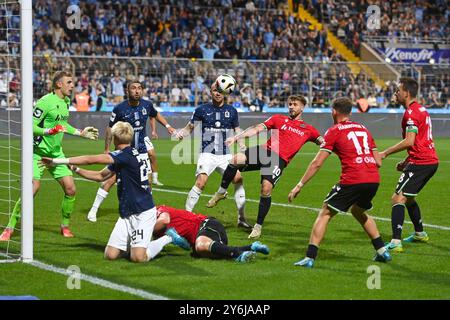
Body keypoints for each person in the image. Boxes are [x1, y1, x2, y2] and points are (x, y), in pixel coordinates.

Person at [41, 122, 190, 262]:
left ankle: (168, 237)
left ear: (115, 138)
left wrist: (57, 161)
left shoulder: (123, 156)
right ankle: (137, 243)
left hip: (142, 211)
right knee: (110, 255)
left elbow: (90, 159)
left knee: (138, 258)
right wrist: (75, 169)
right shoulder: (128, 154)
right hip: (127, 212)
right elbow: (100, 176)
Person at [288, 97, 392, 268]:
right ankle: (382, 251)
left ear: (334, 111)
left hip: (353, 179)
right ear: (350, 112)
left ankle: (309, 258)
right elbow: (378, 161)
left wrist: (299, 185)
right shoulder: (363, 129)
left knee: (325, 212)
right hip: (373, 179)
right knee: (359, 211)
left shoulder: (334, 131)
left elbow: (317, 163)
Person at [0, 71, 99, 241]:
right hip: (37, 153)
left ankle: (65, 226)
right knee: (32, 188)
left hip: (55, 153)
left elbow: (62, 124)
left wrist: (80, 133)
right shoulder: (45, 102)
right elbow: (30, 125)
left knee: (71, 188)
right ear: (58, 84)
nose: (72, 85)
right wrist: (48, 131)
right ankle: (9, 228)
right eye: (69, 82)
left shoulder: (66, 101)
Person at [208, 95, 323, 239]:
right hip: (264, 151)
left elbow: (323, 142)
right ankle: (221, 192)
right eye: (290, 104)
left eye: (295, 104)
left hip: (278, 159)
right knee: (235, 159)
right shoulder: (278, 118)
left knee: (266, 188)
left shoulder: (309, 129)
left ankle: (258, 226)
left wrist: (331, 144)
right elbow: (257, 129)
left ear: (302, 107)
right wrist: (238, 137)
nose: (291, 107)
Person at [87, 80, 176, 222]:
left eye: (139, 88)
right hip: (123, 152)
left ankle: (149, 211)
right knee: (110, 179)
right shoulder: (119, 109)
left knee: (147, 181)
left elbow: (155, 114)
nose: (137, 91)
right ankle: (93, 210)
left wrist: (168, 126)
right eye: (133, 88)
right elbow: (110, 128)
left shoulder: (147, 105)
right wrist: (106, 149)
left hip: (140, 151)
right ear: (127, 91)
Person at [176, 81, 251, 229]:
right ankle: (186, 216)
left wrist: (241, 143)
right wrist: (181, 133)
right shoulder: (201, 110)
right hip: (207, 154)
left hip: (225, 155)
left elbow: (237, 130)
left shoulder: (232, 111)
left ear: (225, 92)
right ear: (211, 92)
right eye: (215, 90)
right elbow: (189, 127)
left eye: (220, 91)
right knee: (201, 182)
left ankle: (241, 218)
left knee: (238, 178)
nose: (217, 93)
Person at [379, 78, 439, 253]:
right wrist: (406, 161)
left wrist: (385, 153)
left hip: (421, 162)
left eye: (398, 90)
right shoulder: (422, 109)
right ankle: (420, 233)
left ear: (406, 92)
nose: (396, 93)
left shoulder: (411, 113)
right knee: (409, 198)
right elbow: (419, 140)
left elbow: (410, 140)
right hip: (428, 160)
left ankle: (396, 241)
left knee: (397, 198)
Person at [154, 205, 270, 262]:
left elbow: (164, 220)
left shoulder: (158, 210)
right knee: (206, 253)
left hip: (207, 225)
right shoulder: (156, 232)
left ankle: (237, 255)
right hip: (209, 238)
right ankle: (250, 247)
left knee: (201, 245)